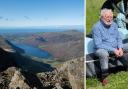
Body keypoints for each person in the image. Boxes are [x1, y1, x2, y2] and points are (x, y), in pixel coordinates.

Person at [92, 8, 128, 86]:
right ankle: (104, 76)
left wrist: (120, 48)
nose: (110, 19)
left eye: (111, 17)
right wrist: (114, 50)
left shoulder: (114, 25)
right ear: (101, 17)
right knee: (103, 54)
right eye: (107, 17)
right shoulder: (96, 27)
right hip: (101, 48)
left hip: (115, 47)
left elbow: (119, 38)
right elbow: (98, 44)